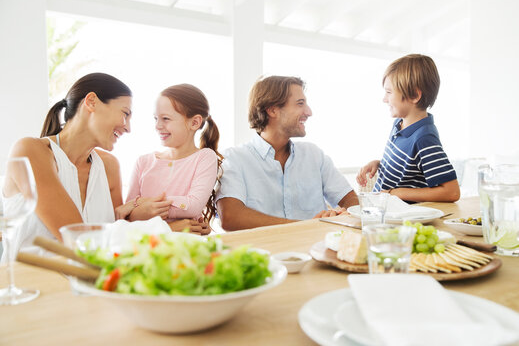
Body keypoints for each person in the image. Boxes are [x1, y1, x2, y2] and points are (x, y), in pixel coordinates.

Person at [2, 73, 132, 257]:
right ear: (91, 101)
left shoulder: (109, 166)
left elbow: (115, 234)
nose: (128, 127)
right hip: (32, 283)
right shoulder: (30, 151)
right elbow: (79, 239)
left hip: (88, 284)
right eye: (125, 114)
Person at [216, 76, 358, 231]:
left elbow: (351, 199)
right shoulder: (233, 159)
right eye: (300, 104)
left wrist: (342, 215)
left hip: (315, 250)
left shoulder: (314, 155)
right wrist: (307, 227)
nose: (309, 112)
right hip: (264, 252)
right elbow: (231, 217)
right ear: (272, 110)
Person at [356, 54, 460, 202]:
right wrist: (380, 164)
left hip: (402, 219)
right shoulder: (399, 124)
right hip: (380, 210)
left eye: (389, 92)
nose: (384, 99)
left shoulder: (424, 138)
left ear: (414, 95)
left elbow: (452, 192)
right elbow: (410, 168)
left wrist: (395, 193)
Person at [121, 84, 221, 235]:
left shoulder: (204, 157)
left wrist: (144, 206)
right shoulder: (143, 162)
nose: (158, 126)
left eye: (165, 119)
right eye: (156, 118)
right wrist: (136, 211)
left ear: (194, 122)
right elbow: (127, 217)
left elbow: (193, 206)